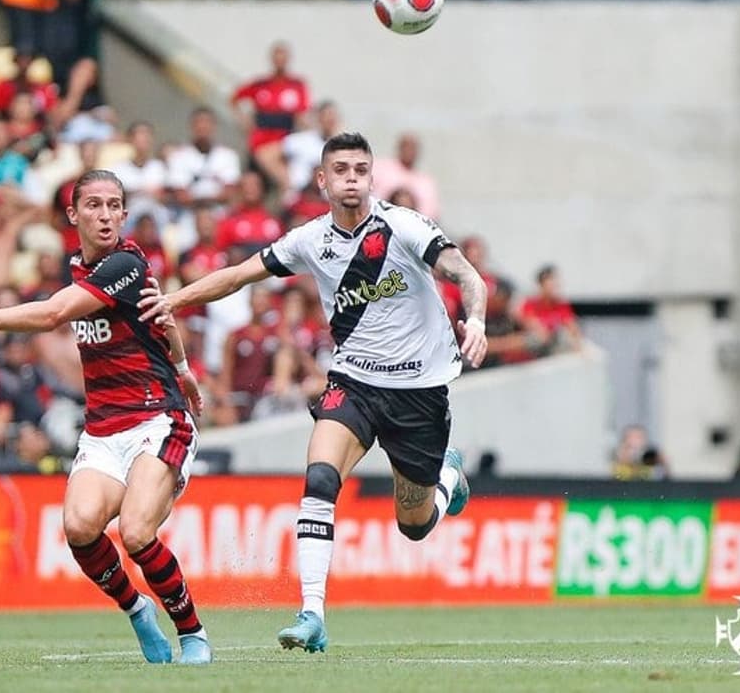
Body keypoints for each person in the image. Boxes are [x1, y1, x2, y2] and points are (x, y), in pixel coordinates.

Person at [138, 132, 486, 653]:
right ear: (322, 180)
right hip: (354, 383)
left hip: (419, 390)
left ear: (371, 178)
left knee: (413, 524)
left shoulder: (403, 225)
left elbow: (463, 271)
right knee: (320, 478)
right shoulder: (309, 240)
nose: (352, 179)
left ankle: (446, 477)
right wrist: (174, 300)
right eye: (341, 170)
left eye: (361, 170)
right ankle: (312, 613)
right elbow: (237, 276)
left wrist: (475, 317)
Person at [0, 169, 213, 664]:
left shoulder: (123, 263)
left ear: (123, 213)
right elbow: (163, 313)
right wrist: (182, 366)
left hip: (155, 421)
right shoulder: (81, 265)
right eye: (93, 205)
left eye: (114, 205)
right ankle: (138, 611)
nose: (106, 214)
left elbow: (54, 315)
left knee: (138, 532)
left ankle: (192, 634)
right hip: (102, 428)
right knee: (79, 528)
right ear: (73, 215)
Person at [230, 41, 311, 194]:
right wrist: (244, 121)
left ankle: (290, 190)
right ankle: (290, 189)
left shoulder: (296, 85)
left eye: (283, 57)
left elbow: (302, 114)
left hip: (285, 136)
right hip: (262, 136)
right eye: (277, 56)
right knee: (264, 160)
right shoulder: (261, 84)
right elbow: (235, 99)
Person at [370, 132, 441, 220]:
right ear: (399, 148)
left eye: (412, 148)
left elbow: (431, 214)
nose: (409, 151)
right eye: (406, 147)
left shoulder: (426, 182)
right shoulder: (379, 168)